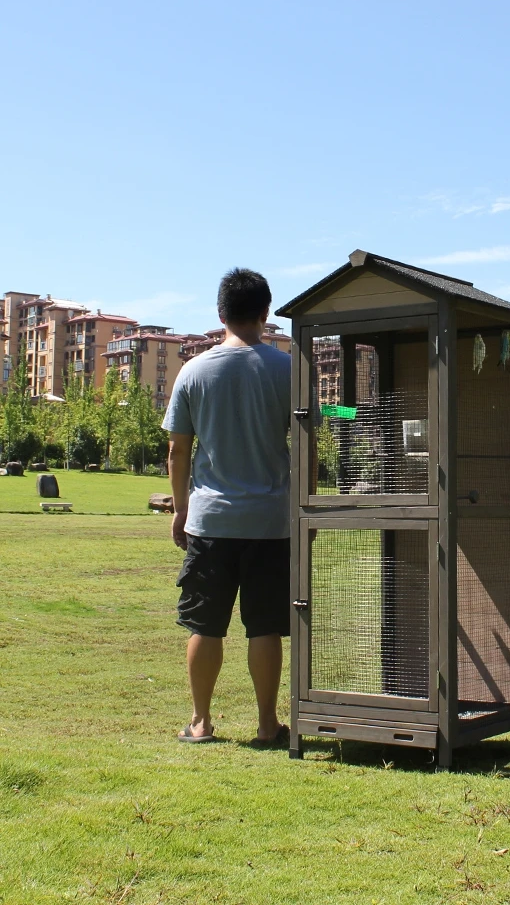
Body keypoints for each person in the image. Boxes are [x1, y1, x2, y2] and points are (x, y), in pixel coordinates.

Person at [162, 268, 291, 745]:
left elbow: (178, 450)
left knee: (204, 623)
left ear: (219, 314)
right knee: (265, 626)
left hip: (210, 519)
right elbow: (310, 444)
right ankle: (266, 724)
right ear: (265, 313)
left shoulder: (193, 370)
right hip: (271, 520)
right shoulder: (287, 369)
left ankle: (200, 722)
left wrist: (180, 509)